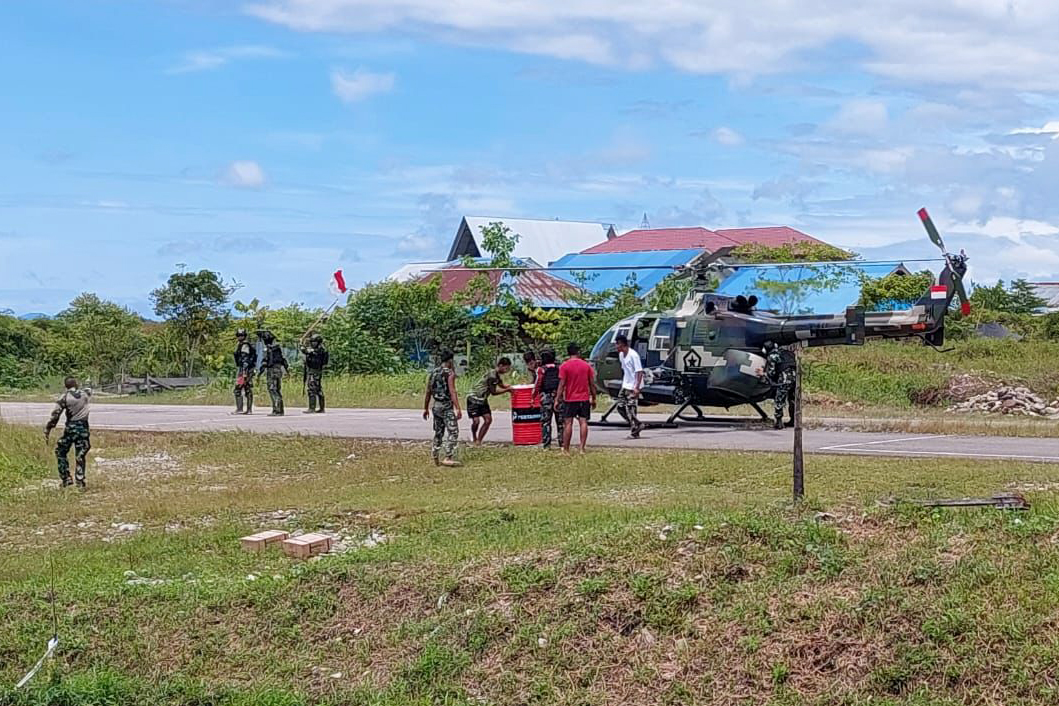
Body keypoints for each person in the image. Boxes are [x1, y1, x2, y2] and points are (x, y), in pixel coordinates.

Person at [44, 377, 92, 489]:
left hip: (71, 428)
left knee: (60, 451)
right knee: (80, 455)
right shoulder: (85, 394)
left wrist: (48, 428)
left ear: (65, 386)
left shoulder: (65, 397)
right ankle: (80, 481)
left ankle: (66, 478)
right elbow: (89, 389)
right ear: (76, 384)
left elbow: (56, 414)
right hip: (84, 428)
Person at [423, 349, 462, 467]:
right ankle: (448, 456)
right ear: (450, 360)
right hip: (446, 406)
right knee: (453, 431)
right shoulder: (450, 373)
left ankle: (435, 454)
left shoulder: (433, 372)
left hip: (436, 406)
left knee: (438, 432)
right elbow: (452, 391)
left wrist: (425, 408)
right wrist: (458, 408)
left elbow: (428, 391)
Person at [557, 342, 596, 454]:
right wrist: (593, 398)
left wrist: (557, 398)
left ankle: (566, 449)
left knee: (568, 423)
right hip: (584, 398)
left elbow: (562, 384)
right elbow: (592, 384)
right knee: (583, 422)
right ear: (578, 352)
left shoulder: (564, 366)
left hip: (570, 399)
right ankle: (582, 448)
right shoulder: (586, 365)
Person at [467, 357, 513, 445]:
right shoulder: (492, 376)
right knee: (476, 421)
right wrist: (508, 390)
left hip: (483, 399)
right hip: (474, 398)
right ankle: (474, 436)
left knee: (488, 420)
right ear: (500, 365)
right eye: (506, 368)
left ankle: (479, 441)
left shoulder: (496, 376)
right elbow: (493, 392)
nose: (506, 371)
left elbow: (502, 385)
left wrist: (511, 387)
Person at [614, 334, 645, 438]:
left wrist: (637, 387)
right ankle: (636, 423)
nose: (616, 347)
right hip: (626, 384)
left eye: (617, 344)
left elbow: (639, 372)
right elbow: (625, 370)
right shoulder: (621, 355)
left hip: (633, 385)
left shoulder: (633, 355)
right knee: (620, 406)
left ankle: (635, 430)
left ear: (621, 344)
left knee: (630, 407)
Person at [763, 340, 796, 429]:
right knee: (792, 399)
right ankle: (794, 420)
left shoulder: (772, 356)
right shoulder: (787, 353)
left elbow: (771, 372)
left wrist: (764, 374)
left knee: (779, 400)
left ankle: (779, 422)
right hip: (795, 379)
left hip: (784, 379)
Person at [533, 348, 562, 449]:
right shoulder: (559, 368)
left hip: (546, 396)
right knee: (560, 422)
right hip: (559, 396)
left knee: (546, 422)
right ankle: (562, 443)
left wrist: (533, 396)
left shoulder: (541, 369)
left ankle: (547, 444)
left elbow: (538, 384)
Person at [258, 330, 289, 416]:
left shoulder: (269, 349)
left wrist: (260, 372)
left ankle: (277, 410)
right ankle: (279, 409)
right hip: (277, 370)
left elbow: (265, 361)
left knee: (273, 389)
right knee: (276, 389)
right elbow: (283, 361)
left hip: (272, 370)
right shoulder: (277, 348)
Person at [301, 333, 330, 414]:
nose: (313, 343)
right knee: (318, 389)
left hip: (314, 371)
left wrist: (302, 347)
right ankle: (321, 408)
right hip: (315, 371)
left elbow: (306, 351)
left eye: (314, 342)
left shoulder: (319, 350)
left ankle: (312, 408)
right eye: (312, 342)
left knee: (312, 389)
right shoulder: (321, 349)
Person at [232, 328, 257, 415]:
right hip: (245, 369)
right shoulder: (241, 345)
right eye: (238, 335)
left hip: (245, 370)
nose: (240, 337)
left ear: (244, 336)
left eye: (241, 335)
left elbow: (245, 359)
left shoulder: (245, 345)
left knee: (240, 388)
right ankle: (245, 409)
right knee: (246, 388)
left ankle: (242, 409)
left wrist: (244, 372)